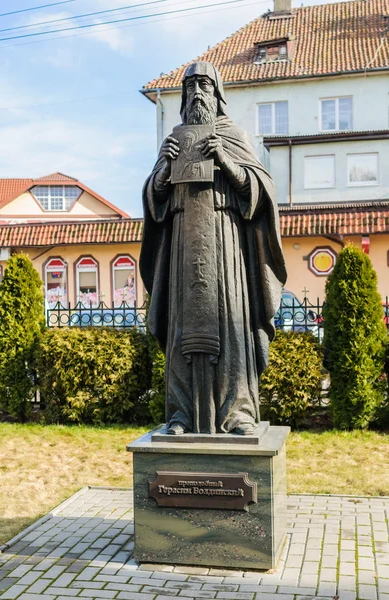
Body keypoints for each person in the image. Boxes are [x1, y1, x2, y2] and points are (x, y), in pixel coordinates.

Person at [140, 61, 286, 435]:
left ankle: (238, 414)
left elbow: (259, 190)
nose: (196, 93)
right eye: (190, 87)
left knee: (232, 329)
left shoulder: (232, 135)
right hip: (183, 250)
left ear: (217, 92)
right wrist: (163, 171)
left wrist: (224, 159)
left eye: (204, 85)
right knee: (180, 333)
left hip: (225, 249)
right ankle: (181, 415)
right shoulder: (174, 138)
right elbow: (155, 199)